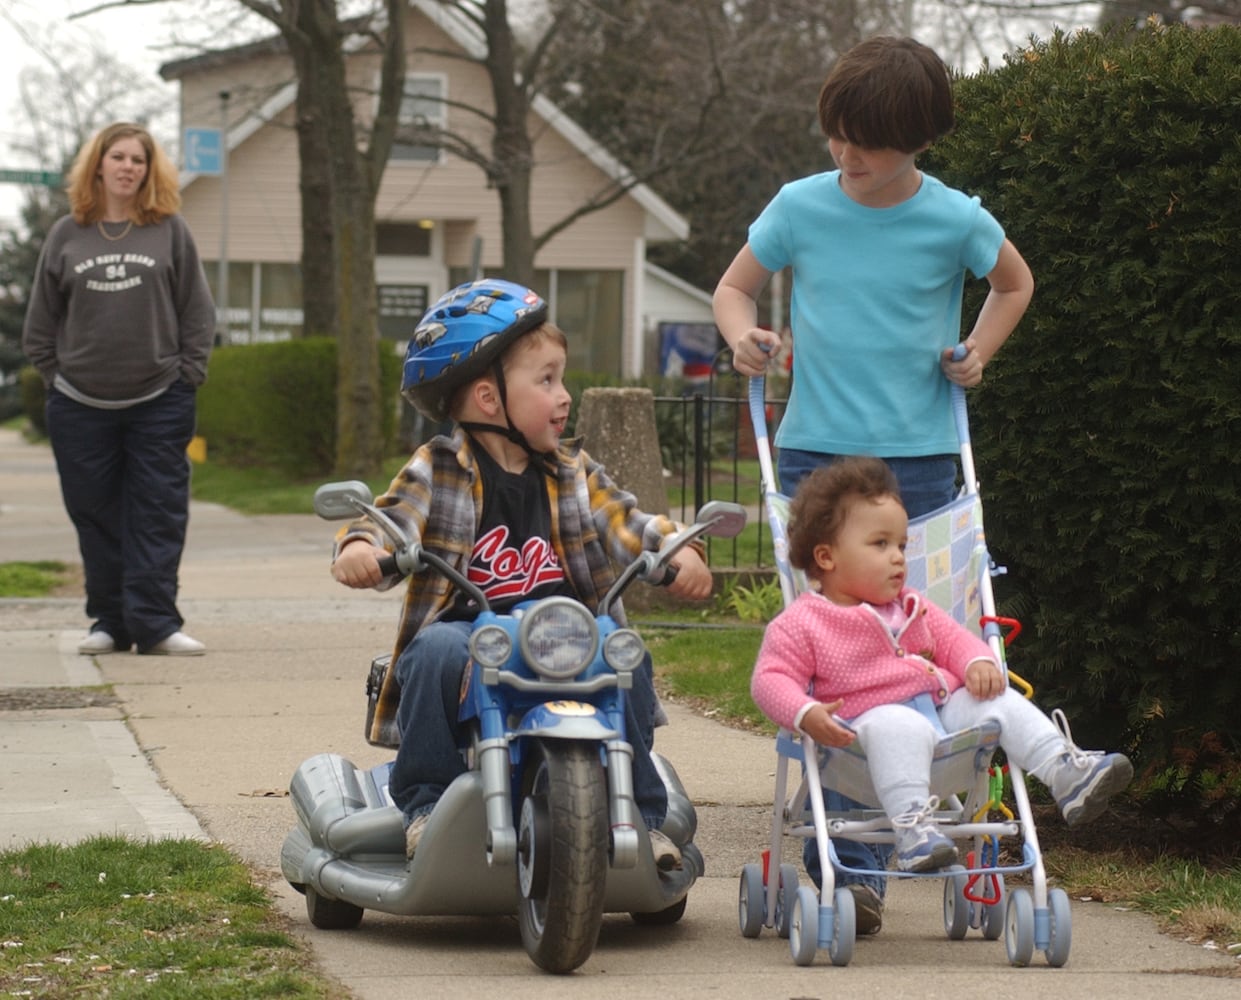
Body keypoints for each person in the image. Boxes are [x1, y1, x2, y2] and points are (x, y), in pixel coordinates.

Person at [713, 34, 1036, 931]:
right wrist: (744, 336)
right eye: (836, 136)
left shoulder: (954, 219)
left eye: (866, 142)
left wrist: (975, 353)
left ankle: (953, 834)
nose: (845, 156)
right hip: (818, 459)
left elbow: (1013, 286)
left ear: (919, 138)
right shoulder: (800, 206)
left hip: (924, 464)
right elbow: (732, 290)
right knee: (838, 661)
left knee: (937, 656)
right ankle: (848, 862)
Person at [331, 279, 713, 864]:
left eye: (561, 378)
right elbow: (393, 519)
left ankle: (640, 812)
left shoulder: (572, 470)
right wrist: (361, 546)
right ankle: (426, 804)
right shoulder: (438, 465)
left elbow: (629, 520)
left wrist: (676, 551)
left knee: (623, 650)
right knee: (430, 653)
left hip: (567, 630)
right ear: (489, 399)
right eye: (547, 379)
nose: (564, 396)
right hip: (472, 633)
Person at [751, 457, 1133, 876]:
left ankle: (1064, 770)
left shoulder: (911, 606)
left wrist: (976, 662)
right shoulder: (804, 622)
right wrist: (805, 713)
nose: (898, 557)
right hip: (861, 738)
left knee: (997, 698)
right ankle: (914, 828)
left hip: (940, 714)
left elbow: (955, 640)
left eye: (900, 545)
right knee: (899, 723)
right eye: (880, 545)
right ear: (826, 556)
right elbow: (770, 679)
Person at [22, 122, 216, 656]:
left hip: (160, 400)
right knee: (97, 515)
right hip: (80, 406)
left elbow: (197, 313)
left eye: (139, 159)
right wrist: (57, 380)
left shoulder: (169, 230)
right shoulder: (67, 234)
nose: (129, 167)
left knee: (157, 513)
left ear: (149, 171)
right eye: (119, 157)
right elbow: (40, 325)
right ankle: (110, 622)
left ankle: (155, 624)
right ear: (99, 166)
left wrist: (188, 375)